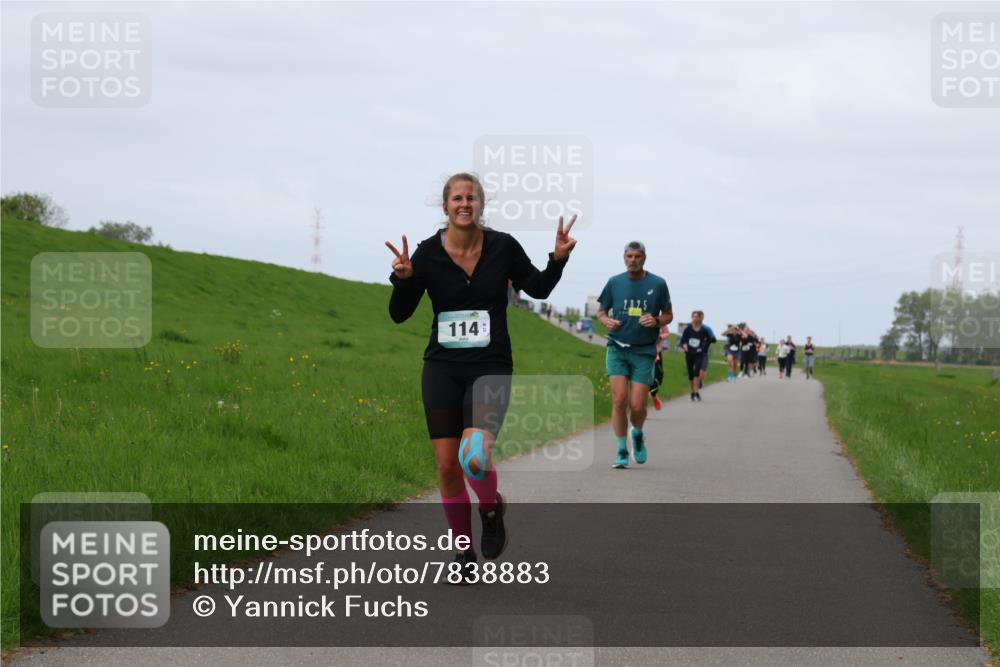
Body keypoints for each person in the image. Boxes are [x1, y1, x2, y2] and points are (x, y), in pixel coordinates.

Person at [386, 172, 577, 580]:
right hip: (442, 368)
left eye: (471, 197)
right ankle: (463, 555)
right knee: (446, 467)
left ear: (481, 204)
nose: (464, 204)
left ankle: (490, 510)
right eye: (457, 198)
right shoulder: (425, 255)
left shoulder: (503, 247)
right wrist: (402, 281)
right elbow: (400, 314)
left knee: (473, 458)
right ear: (445, 206)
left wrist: (557, 259)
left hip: (490, 366)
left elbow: (539, 288)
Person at [596, 241, 673, 469]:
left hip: (644, 351)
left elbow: (668, 314)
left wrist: (657, 320)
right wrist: (605, 320)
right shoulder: (614, 282)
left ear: (644, 258)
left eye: (637, 256)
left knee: (637, 406)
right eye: (629, 256)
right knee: (619, 400)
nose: (633, 260)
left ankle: (637, 434)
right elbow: (601, 310)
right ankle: (621, 450)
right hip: (617, 347)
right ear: (624, 258)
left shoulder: (658, 284)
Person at [680, 310, 714, 401]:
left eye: (696, 317)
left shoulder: (703, 329)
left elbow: (711, 339)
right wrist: (684, 345)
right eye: (693, 316)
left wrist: (705, 346)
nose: (695, 318)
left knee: (696, 372)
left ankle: (696, 392)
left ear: (700, 318)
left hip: (699, 353)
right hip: (689, 353)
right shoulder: (688, 329)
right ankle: (692, 392)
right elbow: (682, 341)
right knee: (691, 374)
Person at [699, 323, 716, 389]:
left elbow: (714, 340)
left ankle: (701, 381)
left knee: (703, 370)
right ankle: (698, 382)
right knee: (697, 370)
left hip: (704, 355)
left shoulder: (708, 339)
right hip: (696, 354)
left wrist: (710, 337)